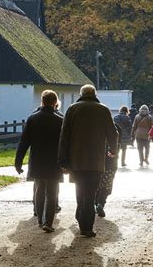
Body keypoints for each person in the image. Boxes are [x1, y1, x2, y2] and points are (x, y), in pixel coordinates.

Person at [58, 84, 118, 238]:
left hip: (76, 160)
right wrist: (113, 150)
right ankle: (87, 227)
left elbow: (64, 136)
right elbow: (112, 133)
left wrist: (63, 161)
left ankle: (81, 217)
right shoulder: (103, 109)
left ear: (81, 94)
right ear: (94, 94)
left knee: (80, 190)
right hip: (96, 160)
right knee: (90, 194)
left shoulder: (72, 109)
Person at [15, 90, 63, 233]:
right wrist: (67, 162)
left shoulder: (32, 119)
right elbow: (65, 143)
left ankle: (40, 220)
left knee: (40, 188)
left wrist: (18, 161)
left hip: (37, 160)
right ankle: (48, 222)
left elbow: (24, 142)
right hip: (54, 161)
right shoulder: (60, 120)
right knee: (52, 191)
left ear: (42, 101)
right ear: (55, 103)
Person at [95, 123, 122, 218]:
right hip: (110, 163)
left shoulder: (96, 126)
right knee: (106, 185)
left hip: (97, 162)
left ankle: (95, 203)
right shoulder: (116, 127)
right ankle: (101, 203)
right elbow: (118, 144)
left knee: (96, 184)